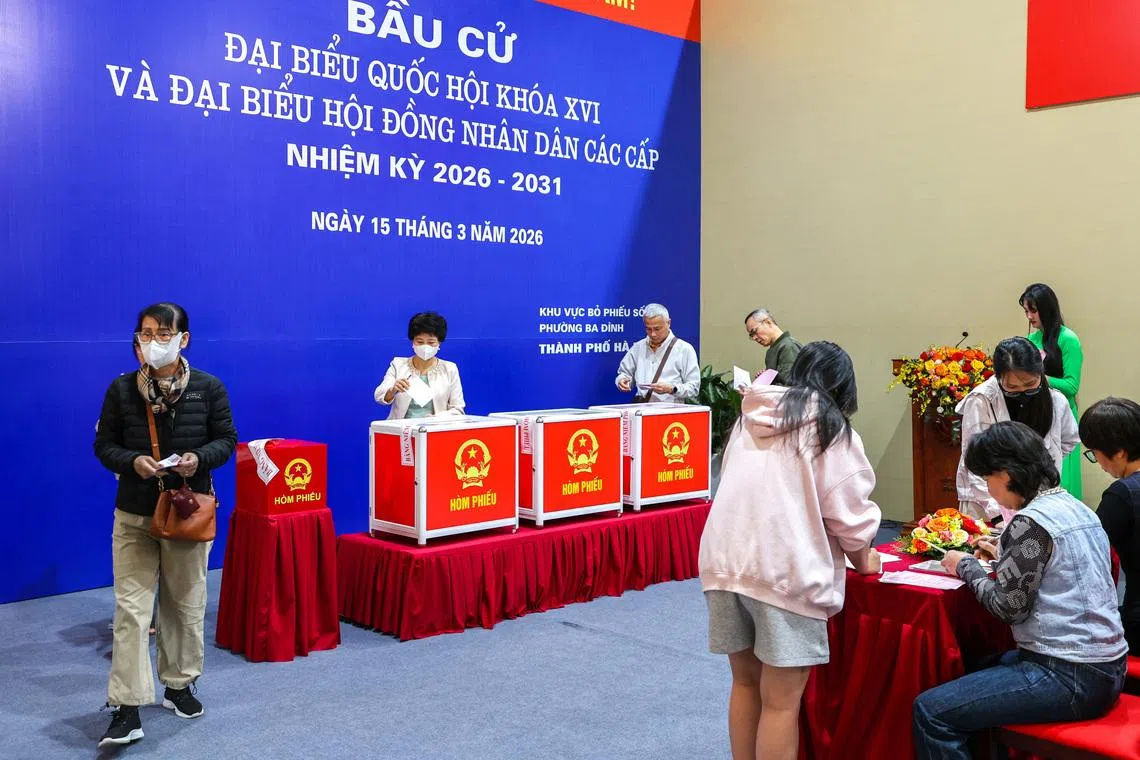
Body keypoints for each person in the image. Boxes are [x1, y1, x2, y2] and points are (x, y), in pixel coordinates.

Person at [699, 341, 882, 760]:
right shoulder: (829, 426)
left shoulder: (749, 417)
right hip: (785, 568)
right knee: (781, 702)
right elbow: (848, 513)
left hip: (725, 562)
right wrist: (865, 558)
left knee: (745, 685)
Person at [913, 422, 1127, 759]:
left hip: (1067, 675)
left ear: (1007, 473)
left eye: (987, 479)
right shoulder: (1079, 508)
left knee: (930, 711)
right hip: (1110, 665)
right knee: (975, 664)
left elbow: (1007, 607)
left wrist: (964, 565)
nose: (988, 489)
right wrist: (1005, 550)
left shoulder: (1029, 522)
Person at [93, 303, 237, 748]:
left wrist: (199, 458)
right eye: (145, 333)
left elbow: (227, 439)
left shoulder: (209, 388)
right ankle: (127, 706)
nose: (152, 342)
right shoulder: (121, 389)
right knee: (131, 611)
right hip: (135, 513)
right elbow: (104, 444)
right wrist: (132, 461)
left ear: (183, 339)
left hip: (188, 513)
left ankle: (179, 685)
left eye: (162, 334)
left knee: (185, 603)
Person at [955, 336, 1079, 522]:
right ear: (998, 378)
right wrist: (997, 514)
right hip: (987, 505)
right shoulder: (981, 400)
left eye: (1030, 384)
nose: (1022, 392)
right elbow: (973, 461)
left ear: (1040, 373)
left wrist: (1039, 464)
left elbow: (1068, 441)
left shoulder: (1055, 400)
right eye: (1012, 387)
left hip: (1039, 502)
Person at [1080, 397, 1140, 654]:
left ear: (1119, 452)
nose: (1099, 463)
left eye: (1095, 453)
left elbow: (1085, 550)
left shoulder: (1123, 494)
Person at [1021, 283, 1083, 499]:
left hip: (1063, 415)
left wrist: (1039, 379)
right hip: (1037, 415)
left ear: (1047, 308)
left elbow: (1072, 385)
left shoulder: (1068, 339)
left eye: (1033, 310)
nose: (1029, 316)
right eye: (1026, 311)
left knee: (1062, 478)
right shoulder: (1030, 341)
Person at [374, 311, 465, 418]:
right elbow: (378, 395)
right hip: (401, 430)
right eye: (420, 342)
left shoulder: (450, 369)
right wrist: (392, 390)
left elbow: (458, 409)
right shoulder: (398, 365)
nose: (425, 347)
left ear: (439, 343)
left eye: (431, 342)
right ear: (412, 341)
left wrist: (437, 419)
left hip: (435, 429)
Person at [615, 303, 699, 403]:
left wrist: (672, 389)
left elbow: (694, 387)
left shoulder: (684, 349)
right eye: (648, 329)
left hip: (671, 412)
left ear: (669, 323)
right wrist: (622, 381)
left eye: (657, 329)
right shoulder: (638, 347)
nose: (653, 334)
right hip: (642, 409)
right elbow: (624, 373)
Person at [744, 308, 802, 384]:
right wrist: (766, 377)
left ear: (768, 322)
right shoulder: (774, 349)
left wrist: (761, 388)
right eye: (752, 335)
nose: (754, 338)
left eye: (754, 331)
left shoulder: (789, 346)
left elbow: (791, 387)